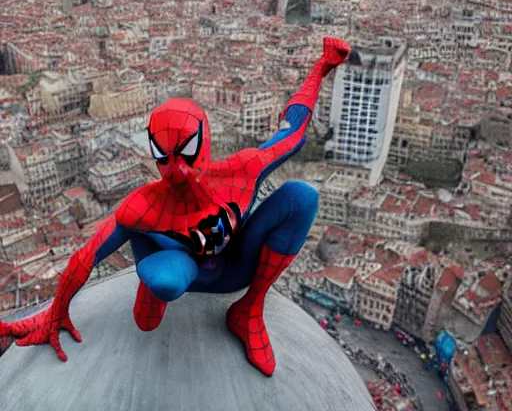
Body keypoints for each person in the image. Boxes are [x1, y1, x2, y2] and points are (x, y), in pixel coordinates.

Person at [0, 38, 351, 377]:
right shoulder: (143, 204)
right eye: (163, 157)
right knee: (164, 284)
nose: (178, 169)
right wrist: (53, 313)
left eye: (187, 151)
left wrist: (321, 69)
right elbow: (87, 255)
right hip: (181, 272)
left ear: (205, 139)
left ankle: (249, 309)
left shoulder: (242, 171)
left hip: (234, 269)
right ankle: (154, 290)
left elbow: (292, 132)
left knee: (301, 197)